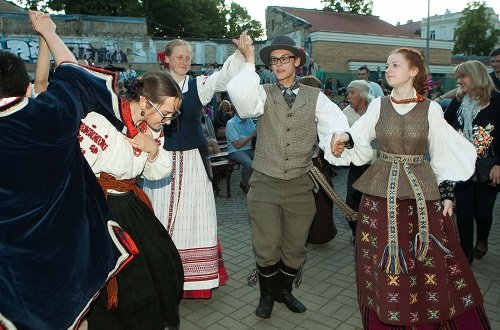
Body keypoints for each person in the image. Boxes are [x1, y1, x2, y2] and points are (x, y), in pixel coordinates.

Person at [33, 20, 185, 330]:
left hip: (130, 205)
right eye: (165, 113)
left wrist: (152, 150)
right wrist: (48, 34)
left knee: (163, 264)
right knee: (115, 280)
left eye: (172, 115)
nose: (167, 121)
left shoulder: (152, 132)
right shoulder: (101, 116)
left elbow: (158, 173)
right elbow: (69, 70)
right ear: (145, 101)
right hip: (95, 206)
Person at [331, 48, 490, 328]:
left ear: (413, 71)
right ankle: (388, 313)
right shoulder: (379, 105)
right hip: (381, 191)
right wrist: (344, 137)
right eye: (387, 64)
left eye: (395, 65)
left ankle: (425, 315)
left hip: (421, 193)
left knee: (426, 256)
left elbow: (442, 152)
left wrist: (448, 193)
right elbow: (360, 137)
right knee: (383, 257)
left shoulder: (431, 108)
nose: (388, 69)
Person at [0, 11, 136, 329]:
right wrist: (49, 31)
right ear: (24, 87)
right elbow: (73, 72)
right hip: (65, 252)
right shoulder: (53, 114)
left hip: (11, 269)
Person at [227, 35, 352, 319]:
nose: (279, 64)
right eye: (273, 60)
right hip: (265, 182)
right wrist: (248, 60)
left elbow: (336, 123)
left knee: (295, 247)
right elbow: (245, 105)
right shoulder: (263, 92)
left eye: (284, 58)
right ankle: (266, 295)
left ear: (297, 61)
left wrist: (340, 137)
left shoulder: (315, 97)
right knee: (266, 244)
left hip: (299, 182)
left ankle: (284, 291)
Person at [142, 31, 253, 299]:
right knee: (159, 212)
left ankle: (195, 281)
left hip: (192, 159)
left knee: (196, 215)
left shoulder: (198, 84)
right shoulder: (151, 85)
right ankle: (161, 275)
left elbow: (223, 77)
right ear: (166, 59)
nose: (184, 60)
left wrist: (240, 53)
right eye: (179, 56)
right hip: (159, 158)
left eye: (188, 57)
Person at [444, 60, 500, 264]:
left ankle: (483, 239)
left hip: (489, 169)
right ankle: (465, 257)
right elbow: (444, 125)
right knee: (464, 214)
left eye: (462, 76)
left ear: (476, 77)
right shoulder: (459, 101)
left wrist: (499, 165)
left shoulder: (497, 102)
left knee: (482, 213)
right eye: (457, 76)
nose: (458, 81)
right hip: (462, 168)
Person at [300, 75, 338, 245]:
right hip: (305, 164)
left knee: (323, 200)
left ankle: (319, 234)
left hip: (317, 162)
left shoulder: (320, 110)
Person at [342, 80, 375, 244]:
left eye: (352, 92)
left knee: (374, 202)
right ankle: (356, 232)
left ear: (363, 94)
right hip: (357, 164)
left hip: (377, 165)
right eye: (348, 93)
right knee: (352, 200)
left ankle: (374, 232)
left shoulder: (377, 110)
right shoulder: (347, 113)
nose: (348, 96)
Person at [225, 108, 256, 193]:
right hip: (235, 151)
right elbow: (237, 145)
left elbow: (255, 137)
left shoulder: (249, 120)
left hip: (249, 148)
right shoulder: (231, 123)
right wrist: (252, 135)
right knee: (249, 164)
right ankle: (245, 184)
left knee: (262, 159)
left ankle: (255, 184)